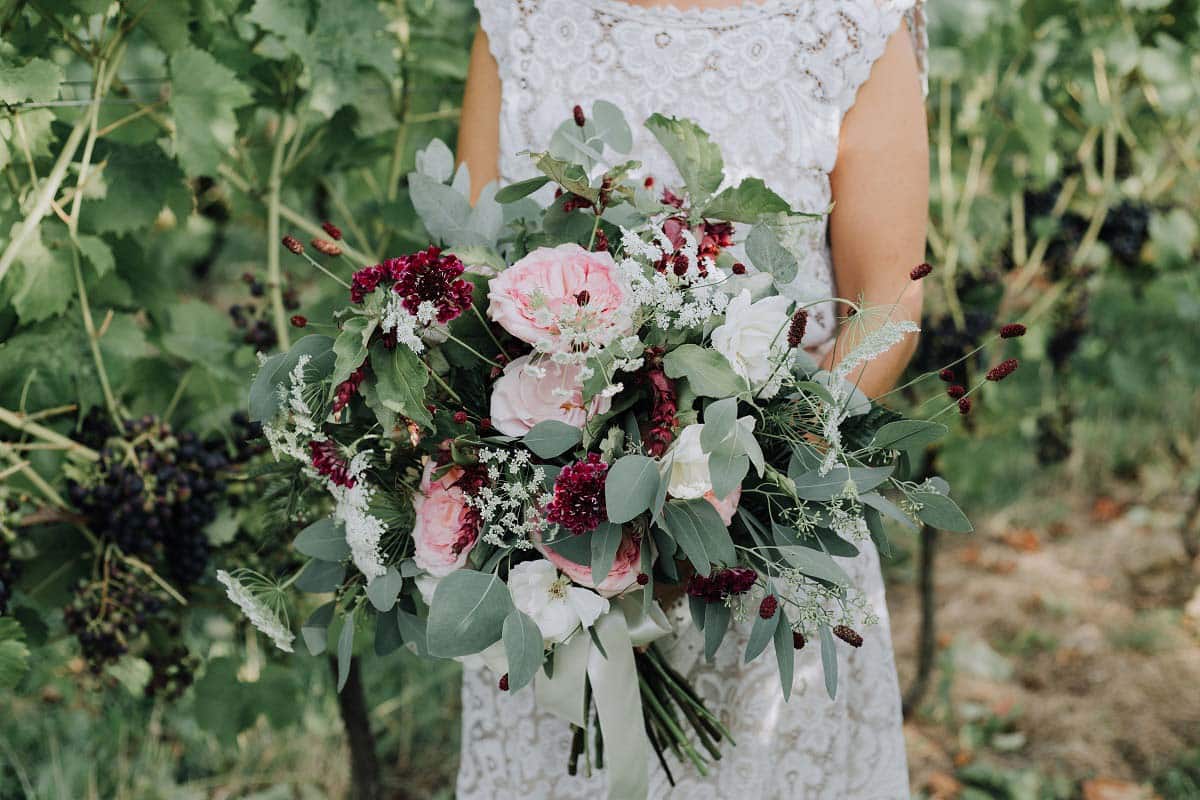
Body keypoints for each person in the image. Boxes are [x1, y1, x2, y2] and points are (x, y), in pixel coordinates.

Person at [454, 1, 929, 796]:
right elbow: (470, 282)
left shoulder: (851, 20)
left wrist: (737, 494)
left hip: (767, 553)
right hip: (551, 570)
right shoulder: (522, 16)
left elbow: (887, 300)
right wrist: (556, 514)